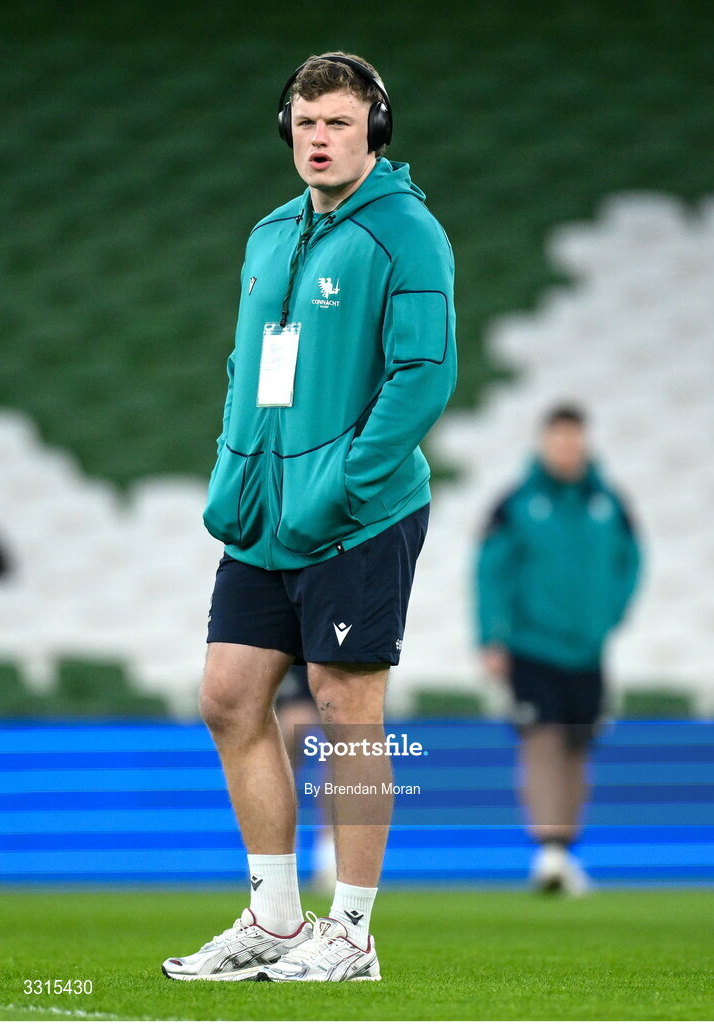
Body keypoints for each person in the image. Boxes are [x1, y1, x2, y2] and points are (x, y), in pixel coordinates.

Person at [162, 52, 457, 982]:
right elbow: (244, 373)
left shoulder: (407, 233)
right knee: (228, 698)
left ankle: (353, 934)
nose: (317, 138)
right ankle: (277, 920)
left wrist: (342, 481)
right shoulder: (268, 237)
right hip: (262, 518)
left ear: (375, 128)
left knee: (344, 711)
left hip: (355, 515)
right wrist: (231, 472)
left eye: (337, 122)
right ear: (283, 128)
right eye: (304, 121)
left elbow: (424, 375)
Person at [474, 404, 642, 894]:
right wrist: (491, 635)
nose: (568, 449)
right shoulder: (516, 504)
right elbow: (490, 571)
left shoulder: (609, 503)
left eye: (575, 440)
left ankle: (564, 852)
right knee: (540, 739)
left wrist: (610, 613)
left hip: (587, 650)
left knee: (577, 747)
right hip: (530, 645)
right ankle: (546, 850)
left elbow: (631, 561)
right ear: (544, 443)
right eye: (559, 440)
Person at [274, 664, 337, 891]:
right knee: (290, 730)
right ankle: (276, 852)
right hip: (297, 672)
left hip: (340, 668)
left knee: (342, 747)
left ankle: (330, 854)